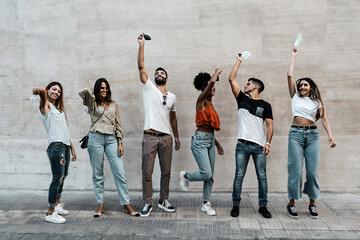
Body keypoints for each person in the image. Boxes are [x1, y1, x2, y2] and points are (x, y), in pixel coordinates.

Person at [286, 48, 336, 219]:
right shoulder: (295, 97)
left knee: (313, 172)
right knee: (295, 171)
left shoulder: (316, 101)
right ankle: (292, 203)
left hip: (313, 136)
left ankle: (312, 205)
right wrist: (293, 56)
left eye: (305, 84)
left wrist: (330, 135)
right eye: (300, 85)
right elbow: (289, 76)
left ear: (311, 87)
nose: (302, 86)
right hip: (296, 135)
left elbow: (324, 119)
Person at [79, 78, 139, 217]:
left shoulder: (113, 104)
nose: (104, 90)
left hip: (112, 139)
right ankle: (100, 204)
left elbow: (118, 124)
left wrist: (120, 142)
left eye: (106, 88)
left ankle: (126, 204)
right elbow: (83, 92)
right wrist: (94, 93)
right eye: (101, 88)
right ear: (97, 90)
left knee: (120, 173)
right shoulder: (92, 104)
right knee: (97, 173)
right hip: (95, 138)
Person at [137, 33, 181, 217]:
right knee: (147, 172)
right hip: (150, 136)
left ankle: (163, 200)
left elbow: (173, 118)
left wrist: (176, 137)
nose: (159, 74)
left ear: (167, 79)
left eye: (162, 73)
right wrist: (142, 45)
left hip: (166, 138)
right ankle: (147, 202)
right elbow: (141, 66)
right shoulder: (149, 88)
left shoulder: (172, 97)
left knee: (166, 172)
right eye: (157, 73)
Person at [228, 53, 274, 219]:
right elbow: (231, 79)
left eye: (248, 84)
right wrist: (238, 61)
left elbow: (269, 125)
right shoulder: (241, 99)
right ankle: (236, 205)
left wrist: (267, 143)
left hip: (259, 146)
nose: (245, 86)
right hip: (242, 145)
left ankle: (263, 206)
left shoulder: (265, 105)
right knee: (239, 176)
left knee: (262, 177)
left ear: (255, 87)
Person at [179, 69, 224, 216]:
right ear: (203, 88)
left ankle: (206, 203)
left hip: (210, 140)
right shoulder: (201, 101)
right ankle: (185, 176)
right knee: (206, 173)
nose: (213, 88)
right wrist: (216, 72)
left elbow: (209, 127)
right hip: (199, 142)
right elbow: (211, 83)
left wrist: (217, 144)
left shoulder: (211, 104)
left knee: (210, 177)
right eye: (209, 86)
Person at [33, 82, 77, 224]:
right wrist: (38, 91)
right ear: (48, 90)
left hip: (65, 146)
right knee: (57, 177)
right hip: (55, 146)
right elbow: (40, 91)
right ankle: (50, 212)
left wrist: (72, 148)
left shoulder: (60, 111)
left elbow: (64, 131)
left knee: (63, 175)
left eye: (59, 91)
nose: (56, 92)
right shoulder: (46, 107)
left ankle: (57, 204)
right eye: (54, 89)